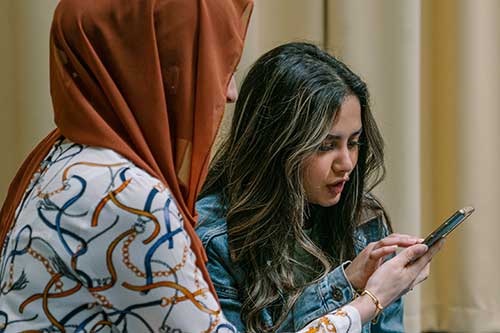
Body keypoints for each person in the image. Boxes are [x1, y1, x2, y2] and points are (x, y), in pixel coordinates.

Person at [0, 0, 255, 331]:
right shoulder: (123, 193)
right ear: (152, 73)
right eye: (213, 68)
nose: (230, 92)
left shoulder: (66, 154)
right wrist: (346, 304)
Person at [196, 42, 444, 332]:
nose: (347, 163)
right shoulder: (214, 238)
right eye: (326, 146)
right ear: (274, 146)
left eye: (353, 143)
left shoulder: (362, 216)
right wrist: (347, 285)